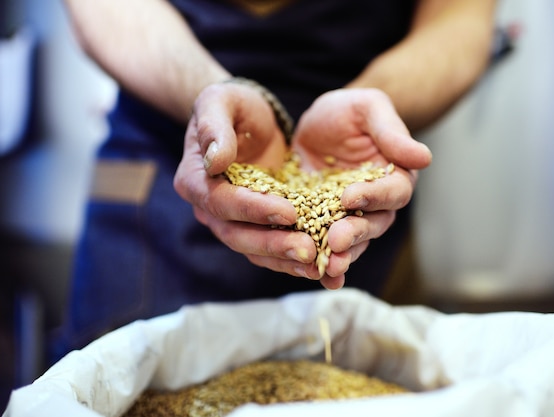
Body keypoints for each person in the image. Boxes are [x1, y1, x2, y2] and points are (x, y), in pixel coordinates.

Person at [51, 0, 497, 361]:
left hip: (359, 176)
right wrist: (207, 100)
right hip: (166, 163)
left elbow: (459, 18)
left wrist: (377, 105)